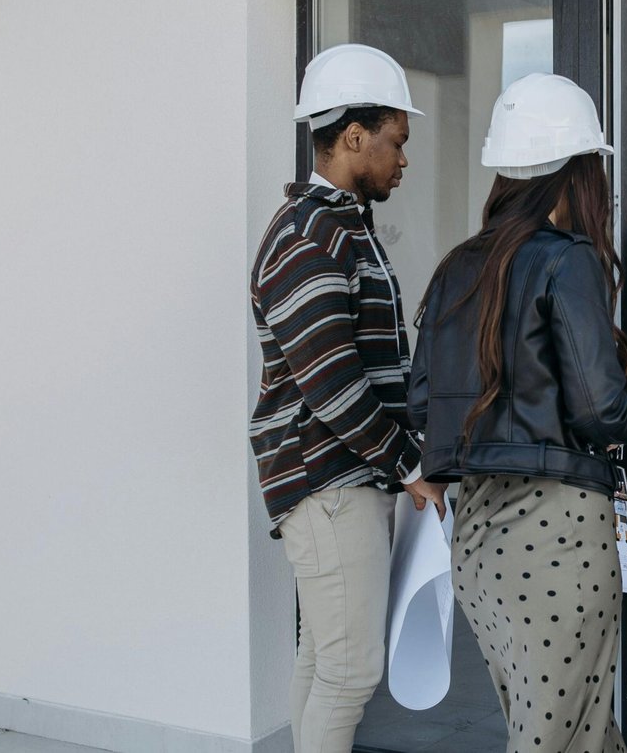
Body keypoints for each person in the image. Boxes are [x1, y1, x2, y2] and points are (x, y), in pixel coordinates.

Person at [409, 73, 627, 753]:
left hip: (478, 537)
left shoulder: (458, 266)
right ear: (576, 171)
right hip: (557, 530)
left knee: (565, 730)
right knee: (563, 735)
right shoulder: (565, 262)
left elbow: (423, 403)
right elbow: (601, 412)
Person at [249, 43, 447, 753]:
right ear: (353, 136)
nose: (403, 158)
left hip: (338, 477)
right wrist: (409, 463)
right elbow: (330, 383)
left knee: (325, 662)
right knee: (351, 670)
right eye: (396, 140)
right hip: (327, 479)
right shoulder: (310, 236)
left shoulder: (336, 226)